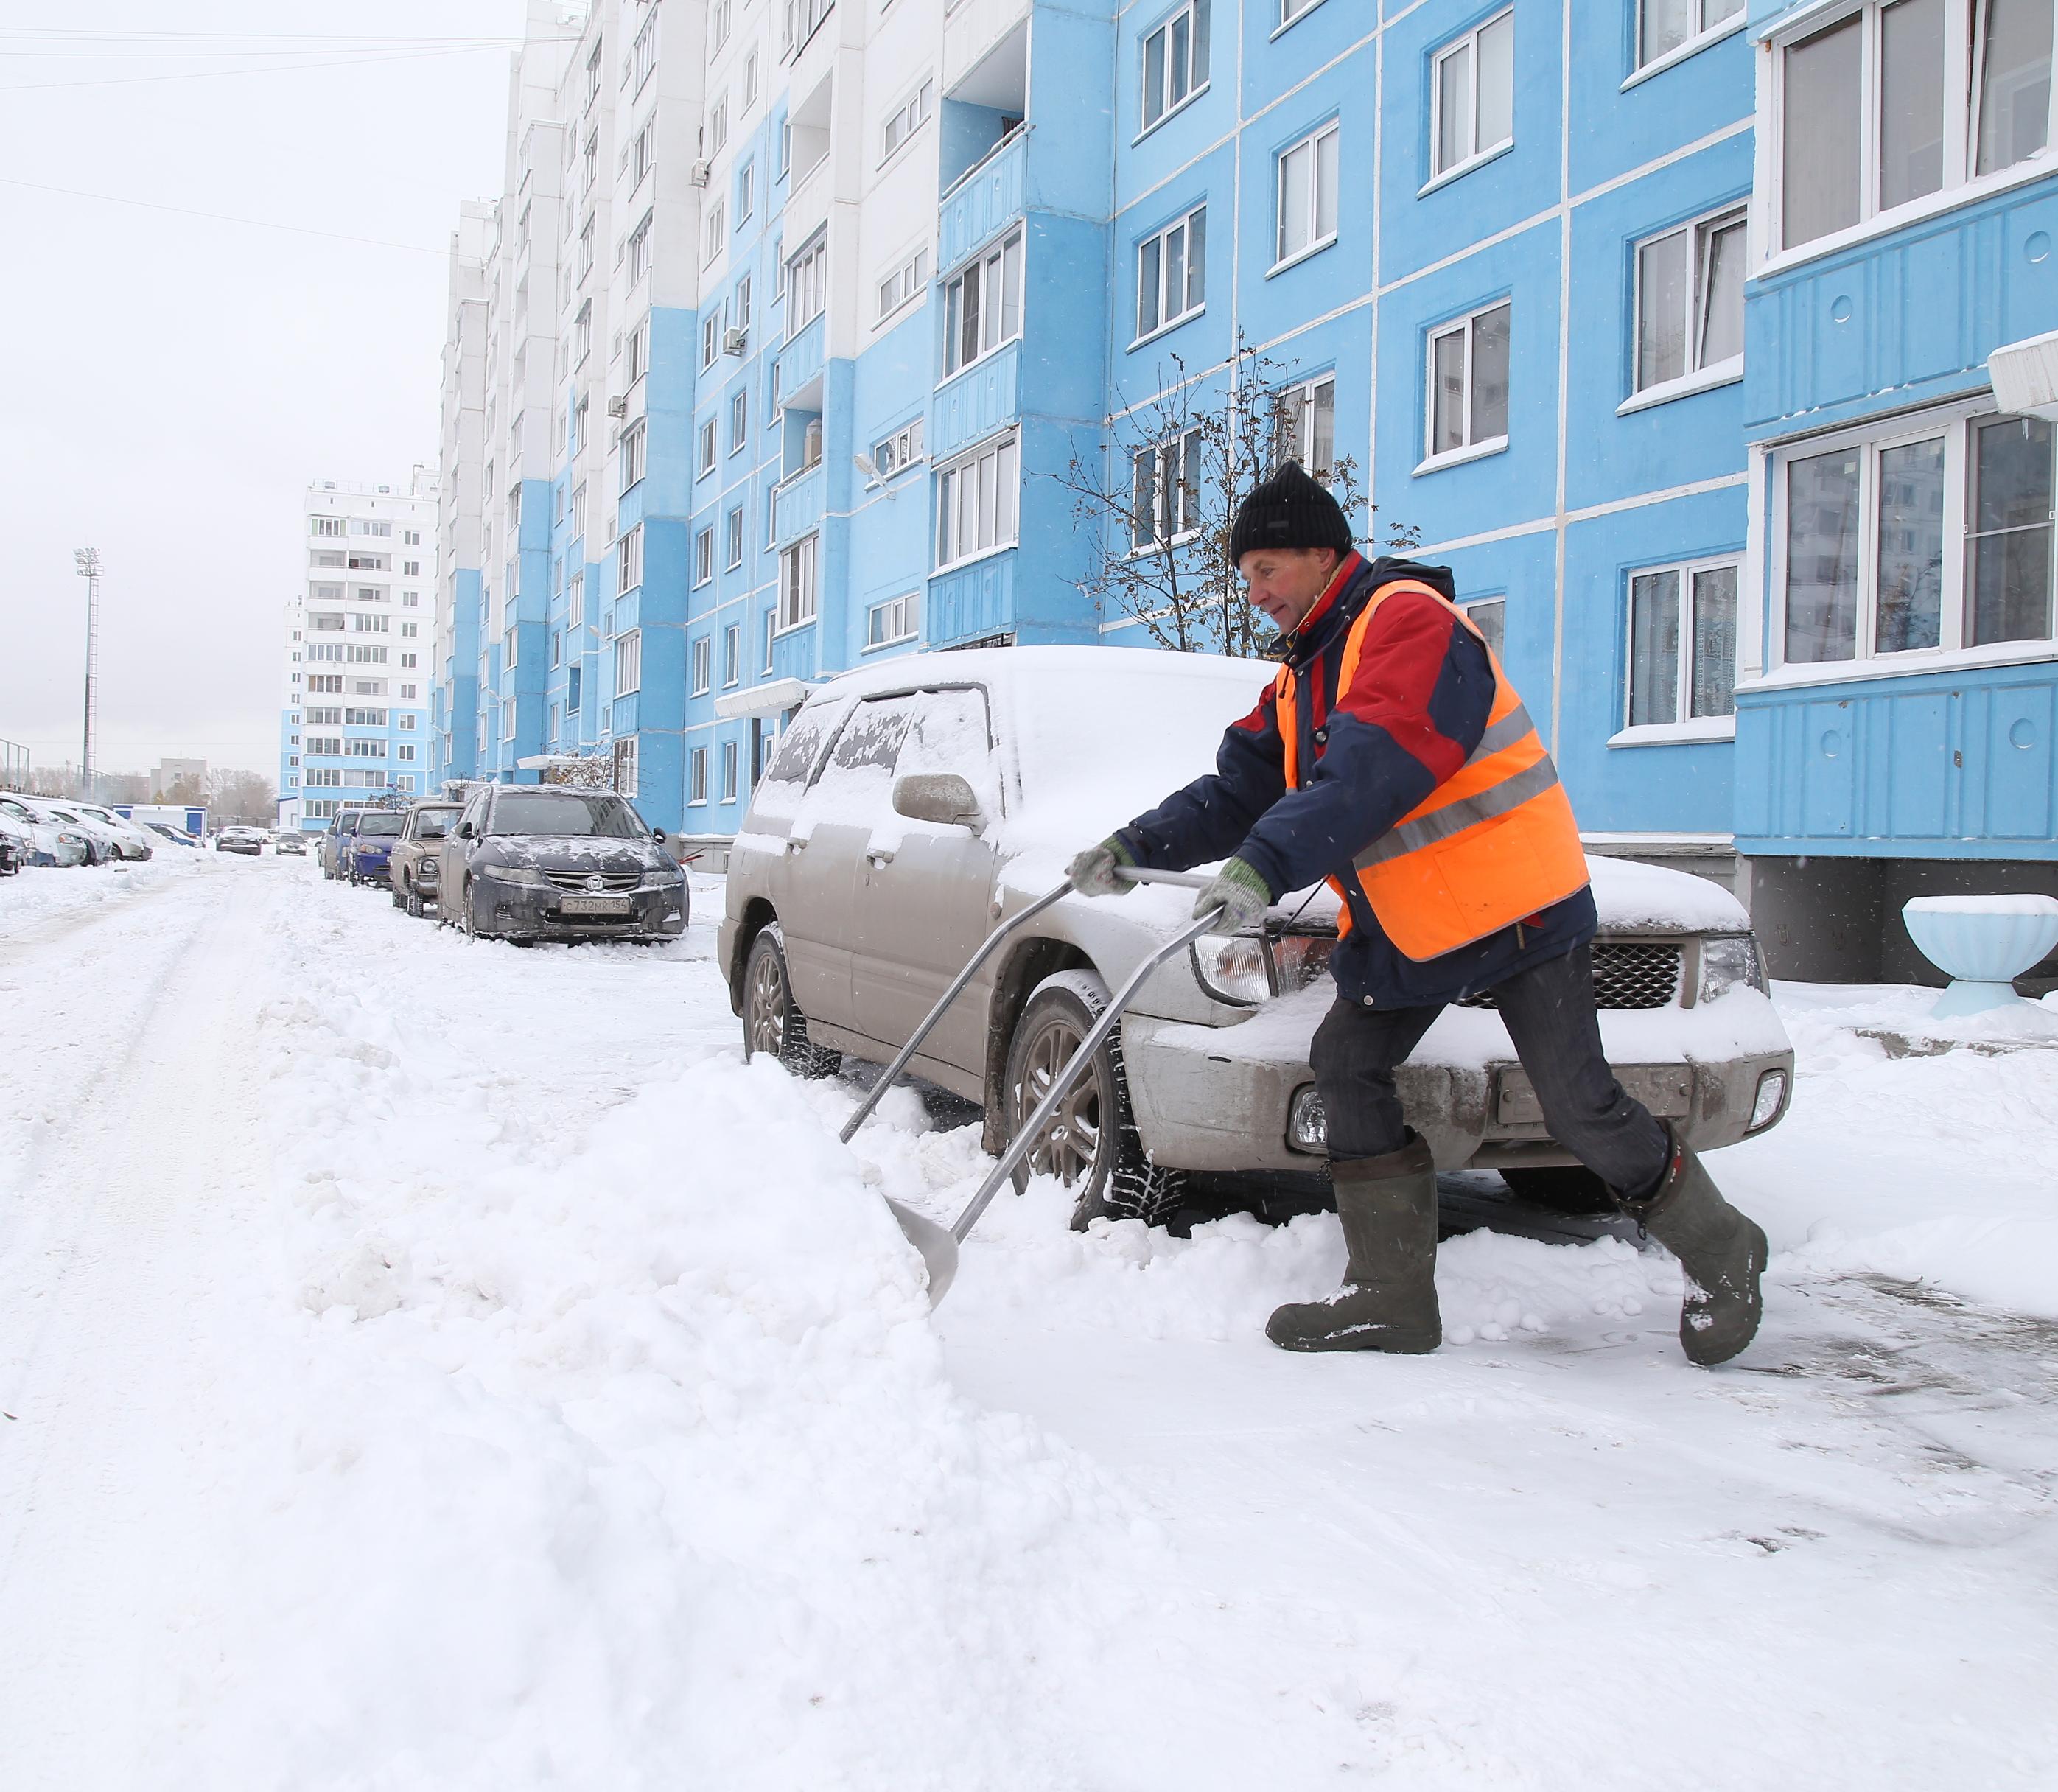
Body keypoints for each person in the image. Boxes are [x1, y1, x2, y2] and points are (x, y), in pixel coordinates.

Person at [1066, 463, 1767, 1367]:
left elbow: (1373, 766)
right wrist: (1133, 847)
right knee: (1347, 1063)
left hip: (1516, 905)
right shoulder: (1301, 678)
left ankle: (1721, 1248)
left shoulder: (1408, 623)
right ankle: (1389, 1295)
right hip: (1417, 923)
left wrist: (1265, 863)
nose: (1255, 593)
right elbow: (1234, 787)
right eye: (1246, 577)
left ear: (1323, 556)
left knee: (1579, 1107)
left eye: (1267, 569)